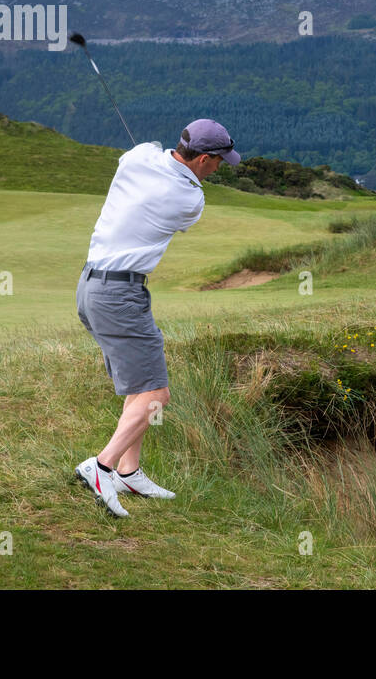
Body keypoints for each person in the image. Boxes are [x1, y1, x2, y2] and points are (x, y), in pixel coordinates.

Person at [72, 119, 242, 517]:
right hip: (119, 295)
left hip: (91, 286)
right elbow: (182, 214)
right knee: (156, 396)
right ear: (203, 159)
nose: (219, 168)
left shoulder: (137, 157)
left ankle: (129, 472)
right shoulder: (190, 200)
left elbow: (146, 152)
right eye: (218, 162)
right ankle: (101, 466)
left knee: (140, 383)